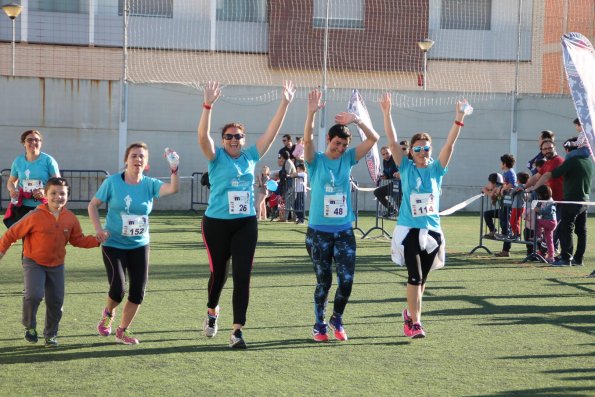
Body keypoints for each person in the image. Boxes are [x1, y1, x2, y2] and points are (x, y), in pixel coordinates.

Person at [198, 80, 295, 349]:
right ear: (223, 141)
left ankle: (237, 330)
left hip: (244, 224)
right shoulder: (215, 157)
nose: (233, 140)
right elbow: (202, 137)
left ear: (244, 139)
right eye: (228, 136)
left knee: (243, 274)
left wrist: (284, 103)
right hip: (216, 224)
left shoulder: (251, 155)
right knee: (219, 274)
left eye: (237, 136)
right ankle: (211, 312)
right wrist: (208, 106)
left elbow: (271, 133)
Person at [386, 92, 467, 338]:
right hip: (409, 229)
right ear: (410, 151)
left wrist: (459, 118)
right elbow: (391, 143)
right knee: (414, 276)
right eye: (417, 148)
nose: (422, 151)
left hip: (432, 231)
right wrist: (387, 113)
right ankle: (417, 323)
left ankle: (409, 314)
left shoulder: (436, 169)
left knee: (422, 281)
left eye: (426, 147)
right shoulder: (406, 168)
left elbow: (450, 145)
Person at [303, 89, 379, 342]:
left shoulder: (348, 158)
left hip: (344, 230)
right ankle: (319, 323)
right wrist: (311, 113)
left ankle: (337, 317)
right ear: (329, 139)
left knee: (346, 280)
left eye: (344, 145)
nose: (340, 148)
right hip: (319, 232)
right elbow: (307, 140)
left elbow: (374, 138)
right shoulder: (315, 161)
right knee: (324, 281)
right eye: (337, 144)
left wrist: (356, 120)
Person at [88, 143, 180, 345]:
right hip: (114, 243)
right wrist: (98, 229)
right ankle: (108, 313)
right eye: (133, 156)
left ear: (146, 163)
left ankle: (122, 331)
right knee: (118, 289)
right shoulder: (112, 182)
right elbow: (93, 205)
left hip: (139, 244)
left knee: (138, 292)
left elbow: (173, 188)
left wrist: (174, 169)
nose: (137, 159)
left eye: (142, 157)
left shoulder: (150, 184)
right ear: (126, 160)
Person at [0, 177, 99, 347]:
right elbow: (11, 234)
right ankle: (30, 327)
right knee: (34, 295)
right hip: (34, 262)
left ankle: (51, 334)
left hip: (57, 265)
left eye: (62, 193)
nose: (57, 197)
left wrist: (97, 240)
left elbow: (78, 240)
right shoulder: (34, 215)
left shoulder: (70, 218)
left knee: (55, 301)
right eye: (53, 193)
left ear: (67, 196)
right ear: (46, 194)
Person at [527, 137, 593, 268]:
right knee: (581, 231)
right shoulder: (588, 161)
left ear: (568, 149)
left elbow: (547, 175)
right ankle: (578, 259)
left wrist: (533, 188)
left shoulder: (571, 161)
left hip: (570, 200)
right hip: (584, 200)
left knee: (564, 229)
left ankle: (565, 258)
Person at [4, 130, 61, 228]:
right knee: (26, 239)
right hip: (23, 207)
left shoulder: (48, 160)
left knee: (43, 237)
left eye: (36, 140)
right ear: (24, 143)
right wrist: (12, 190)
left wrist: (45, 191)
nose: (33, 142)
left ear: (41, 143)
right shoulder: (18, 161)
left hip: (44, 206)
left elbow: (58, 183)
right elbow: (11, 181)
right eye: (29, 140)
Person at [494, 154, 517, 257]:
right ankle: (505, 249)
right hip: (505, 201)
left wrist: (504, 188)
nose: (500, 164)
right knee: (503, 219)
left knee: (506, 222)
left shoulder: (511, 172)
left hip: (509, 202)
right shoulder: (506, 172)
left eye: (501, 162)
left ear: (505, 163)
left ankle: (506, 248)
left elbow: (512, 184)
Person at [373, 146, 400, 217]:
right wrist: (384, 176)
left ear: (391, 152)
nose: (386, 155)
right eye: (383, 154)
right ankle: (392, 210)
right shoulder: (384, 161)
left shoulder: (396, 158)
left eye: (387, 153)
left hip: (401, 184)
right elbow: (387, 173)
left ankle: (404, 215)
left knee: (396, 196)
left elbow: (402, 170)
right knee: (377, 192)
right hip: (393, 184)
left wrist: (399, 173)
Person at [534, 185, 557, 264]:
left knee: (537, 221)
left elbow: (548, 211)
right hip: (549, 222)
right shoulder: (544, 201)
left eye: (539, 195)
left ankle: (538, 236)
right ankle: (551, 256)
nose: (539, 197)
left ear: (544, 194)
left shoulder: (550, 202)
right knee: (549, 241)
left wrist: (539, 210)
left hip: (551, 222)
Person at [481, 172, 504, 238]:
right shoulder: (497, 186)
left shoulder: (498, 188)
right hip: (502, 210)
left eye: (489, 182)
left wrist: (484, 190)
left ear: (493, 183)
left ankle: (506, 247)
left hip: (506, 211)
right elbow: (488, 189)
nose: (488, 184)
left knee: (505, 229)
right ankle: (493, 230)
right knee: (487, 214)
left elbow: (491, 195)